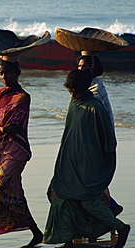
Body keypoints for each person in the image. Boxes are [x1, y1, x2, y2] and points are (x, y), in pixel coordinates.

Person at [43, 69, 130, 248]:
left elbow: (109, 142)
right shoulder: (74, 103)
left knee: (88, 201)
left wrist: (100, 165)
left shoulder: (95, 108)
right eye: (70, 90)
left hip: (88, 166)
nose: (72, 94)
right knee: (62, 198)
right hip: (68, 162)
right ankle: (68, 241)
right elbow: (68, 132)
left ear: (85, 88)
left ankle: (120, 228)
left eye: (75, 90)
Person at [0, 58, 43, 248]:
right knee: (13, 194)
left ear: (17, 73)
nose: (4, 76)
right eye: (1, 72)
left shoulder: (23, 97)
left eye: (8, 72)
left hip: (15, 150)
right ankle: (36, 233)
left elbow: (14, 126)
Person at [77, 54, 123, 216]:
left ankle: (110, 207)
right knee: (92, 177)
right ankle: (110, 207)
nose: (81, 70)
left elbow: (96, 115)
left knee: (91, 178)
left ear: (93, 69)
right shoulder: (86, 86)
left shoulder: (96, 87)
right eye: (79, 67)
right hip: (91, 140)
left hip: (99, 140)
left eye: (85, 67)